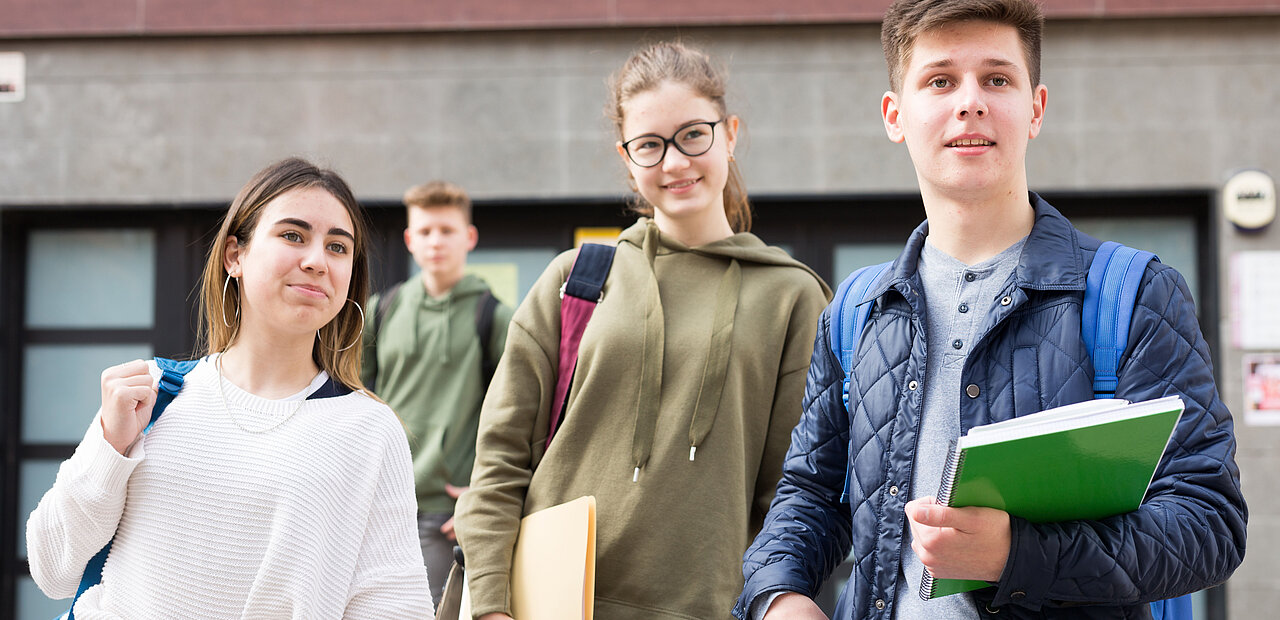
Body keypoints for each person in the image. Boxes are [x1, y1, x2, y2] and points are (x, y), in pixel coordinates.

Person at [736, 1, 1247, 618]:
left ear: (1035, 108)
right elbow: (811, 493)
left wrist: (1016, 556)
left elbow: (1209, 523)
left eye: (997, 78)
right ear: (895, 115)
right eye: (940, 80)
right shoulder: (857, 310)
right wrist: (779, 595)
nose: (969, 101)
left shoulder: (1135, 294)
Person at [454, 40, 832, 620]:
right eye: (649, 146)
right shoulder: (575, 278)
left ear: (729, 133)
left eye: (693, 135)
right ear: (626, 157)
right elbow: (500, 461)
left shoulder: (792, 297)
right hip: (548, 605)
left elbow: (792, 495)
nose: (675, 163)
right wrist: (491, 607)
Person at [27, 157, 433, 618]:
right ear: (235, 256)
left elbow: (393, 605)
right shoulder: (152, 396)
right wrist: (108, 447)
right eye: (293, 235)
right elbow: (52, 569)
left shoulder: (369, 429)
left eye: (338, 247)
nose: (317, 261)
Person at [361, 180, 513, 605]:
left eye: (447, 230)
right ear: (409, 240)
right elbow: (352, 402)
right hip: (380, 503)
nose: (435, 241)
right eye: (425, 231)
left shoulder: (495, 317)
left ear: (469, 237)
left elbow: (520, 419)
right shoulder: (382, 309)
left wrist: (483, 490)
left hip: (446, 512)